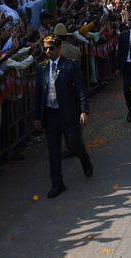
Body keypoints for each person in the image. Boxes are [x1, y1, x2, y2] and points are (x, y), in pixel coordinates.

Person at [33, 36, 93, 199]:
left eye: (51, 48)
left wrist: (83, 110)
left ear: (59, 48)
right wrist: (37, 116)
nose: (48, 51)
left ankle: (84, 159)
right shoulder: (42, 68)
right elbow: (38, 93)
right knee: (53, 151)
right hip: (50, 114)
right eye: (45, 48)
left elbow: (81, 89)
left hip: (68, 113)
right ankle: (57, 184)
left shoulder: (70, 65)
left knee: (73, 144)